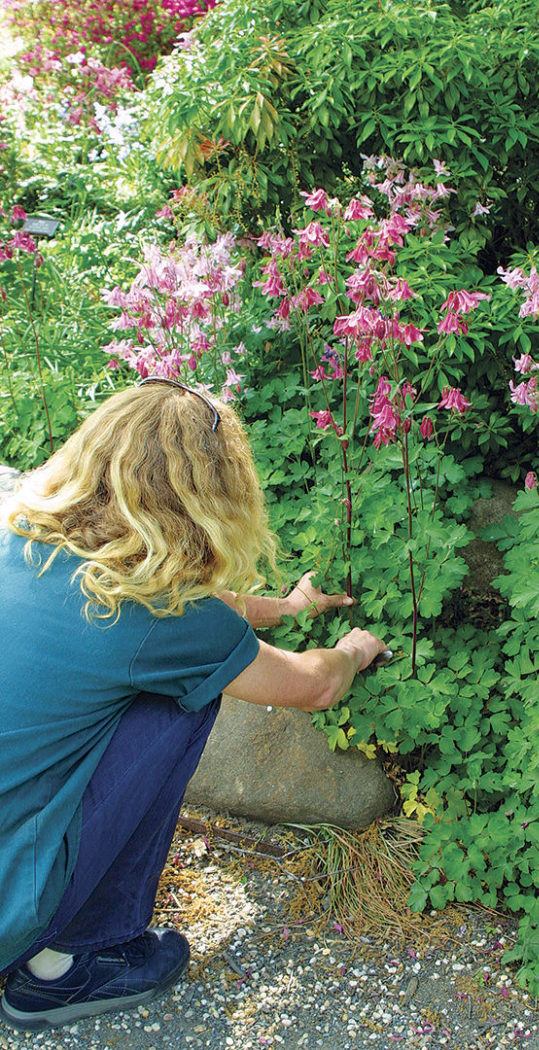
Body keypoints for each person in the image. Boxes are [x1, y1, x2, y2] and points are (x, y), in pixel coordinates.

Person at [0, 377, 386, 1032]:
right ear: (205, 495)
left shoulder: (18, 524)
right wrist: (353, 648)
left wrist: (287, 607)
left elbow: (171, 606)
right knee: (179, 703)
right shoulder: (150, 616)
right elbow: (312, 685)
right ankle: (64, 967)